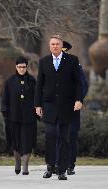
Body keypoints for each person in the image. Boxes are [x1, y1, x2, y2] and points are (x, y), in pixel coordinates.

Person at [35, 35, 83, 180]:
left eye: (57, 44)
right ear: (49, 46)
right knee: (50, 136)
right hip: (48, 105)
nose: (55, 46)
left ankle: (61, 170)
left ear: (61, 46)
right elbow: (39, 84)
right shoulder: (43, 62)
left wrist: (79, 100)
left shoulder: (72, 60)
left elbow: (78, 83)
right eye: (52, 44)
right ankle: (50, 167)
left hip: (66, 106)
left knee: (64, 138)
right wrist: (37, 104)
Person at [1, 56, 37, 175]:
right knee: (15, 141)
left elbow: (37, 98)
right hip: (13, 116)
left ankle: (25, 166)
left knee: (27, 141)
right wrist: (5, 112)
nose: (22, 69)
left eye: (24, 67)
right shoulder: (10, 81)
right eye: (19, 67)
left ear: (27, 67)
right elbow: (5, 98)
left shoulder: (32, 81)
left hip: (29, 117)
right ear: (16, 67)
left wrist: (38, 110)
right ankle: (17, 162)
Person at [61, 41, 88, 175]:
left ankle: (70, 165)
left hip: (72, 107)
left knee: (71, 136)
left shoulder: (75, 66)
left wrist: (78, 100)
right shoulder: (50, 64)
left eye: (65, 51)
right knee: (57, 136)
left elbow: (83, 85)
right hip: (57, 108)